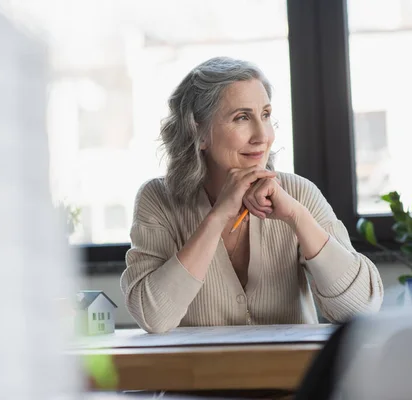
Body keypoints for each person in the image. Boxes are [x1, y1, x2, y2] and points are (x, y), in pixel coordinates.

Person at [121, 57, 383, 333]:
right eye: (242, 118)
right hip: (198, 376)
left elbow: (360, 309)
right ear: (199, 131)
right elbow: (154, 317)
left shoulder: (298, 193)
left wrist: (296, 217)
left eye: (266, 115)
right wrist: (218, 216)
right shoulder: (158, 199)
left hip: (294, 375)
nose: (262, 136)